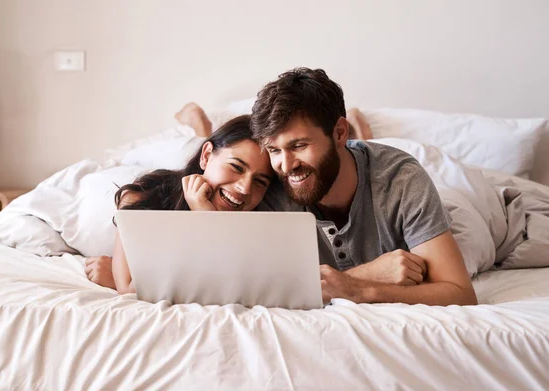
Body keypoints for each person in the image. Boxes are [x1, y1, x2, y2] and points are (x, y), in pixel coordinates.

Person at [249, 67, 477, 306]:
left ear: (339, 133)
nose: (286, 166)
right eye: (274, 150)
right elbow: (252, 288)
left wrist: (361, 291)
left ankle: (365, 133)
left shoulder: (401, 179)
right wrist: (365, 277)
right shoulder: (269, 187)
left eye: (298, 146)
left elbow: (460, 294)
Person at [86, 111, 277, 294]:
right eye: (236, 167)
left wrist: (204, 215)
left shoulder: (262, 223)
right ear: (206, 156)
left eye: (260, 181)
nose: (245, 188)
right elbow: (128, 287)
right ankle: (199, 123)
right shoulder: (144, 198)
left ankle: (201, 127)